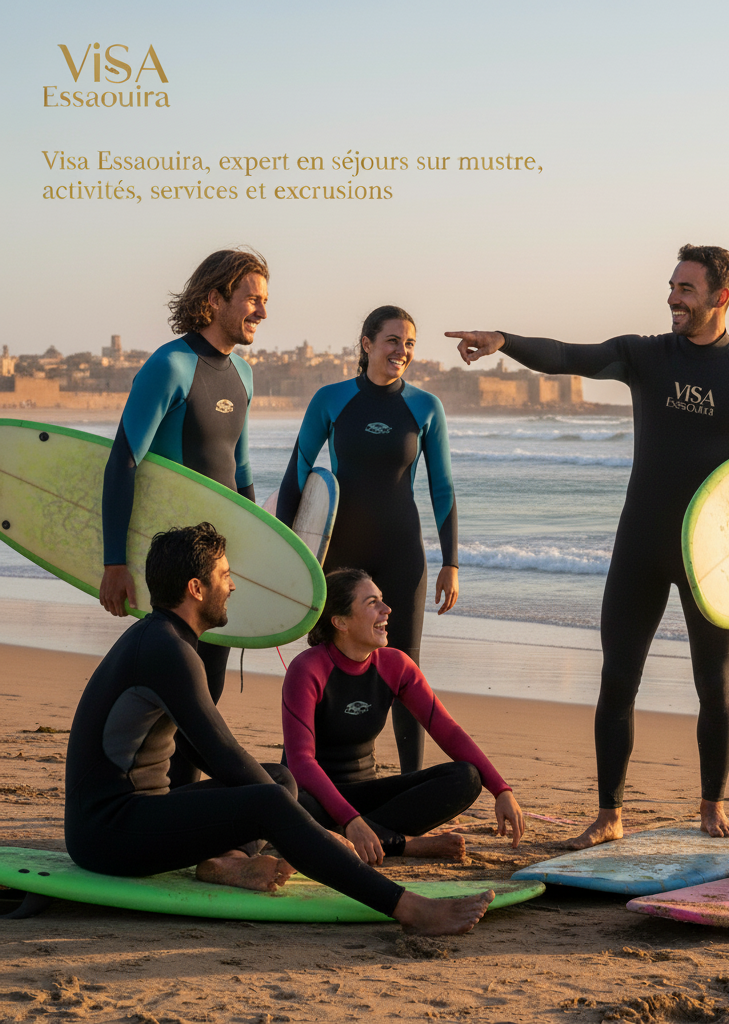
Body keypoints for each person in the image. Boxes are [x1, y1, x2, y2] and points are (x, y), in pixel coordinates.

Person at [446, 244, 729, 846]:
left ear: (720, 297)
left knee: (714, 684)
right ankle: (609, 813)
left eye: (685, 289)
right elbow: (568, 356)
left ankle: (711, 804)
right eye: (672, 286)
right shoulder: (646, 354)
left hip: (711, 556)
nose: (672, 298)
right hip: (641, 542)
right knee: (618, 679)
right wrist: (504, 341)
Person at [66, 523, 493, 935]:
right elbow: (223, 755)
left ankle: (231, 861)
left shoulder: (160, 639)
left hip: (123, 820)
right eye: (224, 576)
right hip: (109, 834)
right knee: (270, 798)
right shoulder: (168, 650)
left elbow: (195, 747)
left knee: (278, 779)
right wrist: (316, 831)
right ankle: (409, 908)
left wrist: (279, 819)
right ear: (196, 588)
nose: (232, 586)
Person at [99, 248, 269, 785]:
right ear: (214, 299)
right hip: (173, 564)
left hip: (216, 563)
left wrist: (257, 554)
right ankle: (148, 800)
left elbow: (242, 472)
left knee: (207, 694)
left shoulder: (243, 374)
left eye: (265, 301)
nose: (262, 312)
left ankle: (182, 808)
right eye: (252, 299)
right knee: (172, 696)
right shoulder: (170, 366)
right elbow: (123, 460)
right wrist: (114, 561)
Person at [277, 305, 458, 776]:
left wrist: (451, 562)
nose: (403, 350)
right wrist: (285, 550)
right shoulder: (331, 400)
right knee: (326, 664)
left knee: (406, 670)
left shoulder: (425, 407)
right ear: (367, 343)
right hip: (341, 558)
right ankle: (308, 774)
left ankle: (411, 783)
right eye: (393, 340)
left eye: (410, 343)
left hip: (402, 555)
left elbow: (442, 488)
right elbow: (298, 473)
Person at [281, 567, 525, 865]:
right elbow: (301, 762)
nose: (387, 609)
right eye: (372, 603)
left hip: (370, 796)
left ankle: (355, 837)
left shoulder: (395, 665)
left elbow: (447, 731)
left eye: (381, 600)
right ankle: (401, 844)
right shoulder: (307, 669)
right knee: (285, 798)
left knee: (465, 777)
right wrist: (350, 819)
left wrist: (501, 789)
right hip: (316, 797)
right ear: (341, 622)